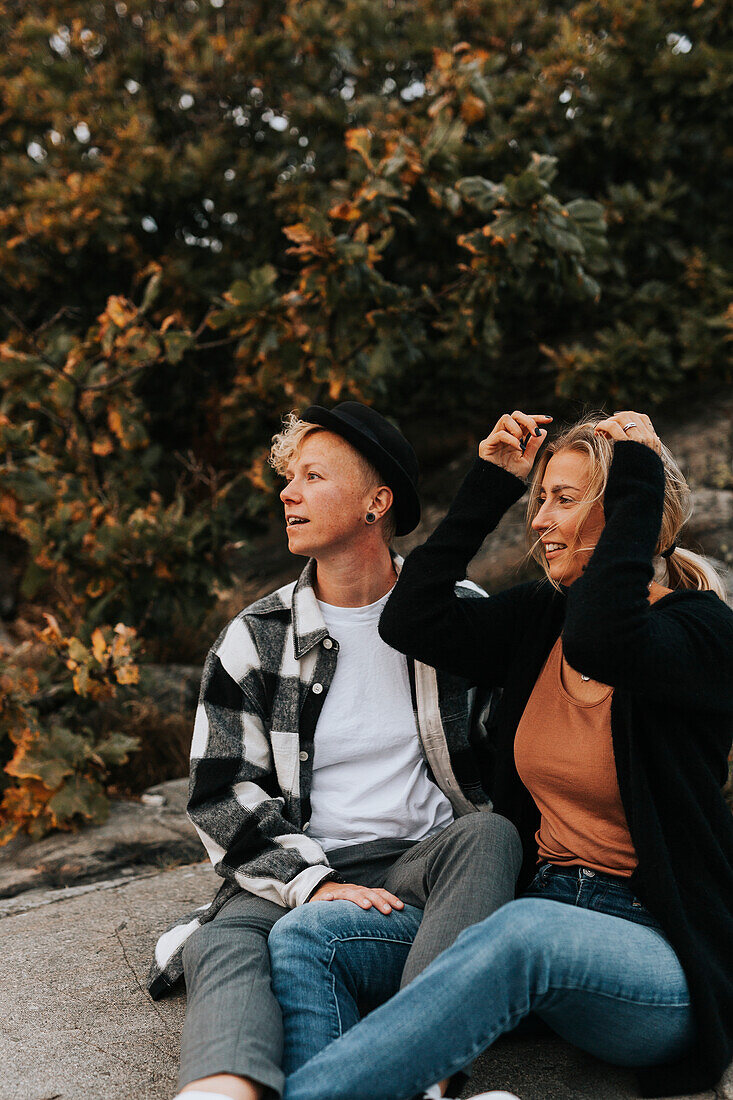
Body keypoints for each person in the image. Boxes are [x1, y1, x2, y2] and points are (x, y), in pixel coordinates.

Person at [269, 409, 733, 1100]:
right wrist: (492, 483)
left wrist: (636, 475)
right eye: (539, 499)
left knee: (524, 932)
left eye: (564, 500)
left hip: (655, 960)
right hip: (535, 915)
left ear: (630, 513)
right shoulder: (540, 620)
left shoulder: (701, 634)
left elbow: (607, 638)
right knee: (310, 938)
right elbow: (411, 617)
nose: (540, 520)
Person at [146, 401, 523, 1100]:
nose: (287, 493)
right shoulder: (256, 636)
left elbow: (519, 748)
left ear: (377, 502)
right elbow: (219, 793)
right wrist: (316, 884)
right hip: (302, 864)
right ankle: (220, 1093)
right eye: (289, 477)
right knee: (224, 944)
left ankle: (427, 1075)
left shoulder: (458, 612)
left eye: (312, 476)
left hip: (426, 869)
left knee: (488, 833)